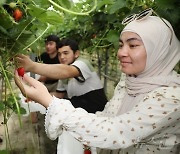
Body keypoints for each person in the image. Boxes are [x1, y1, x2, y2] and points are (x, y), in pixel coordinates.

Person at [15, 13, 180, 154]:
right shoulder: (128, 81)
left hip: (91, 107)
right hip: (90, 118)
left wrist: (34, 71)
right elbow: (107, 117)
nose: (121, 53)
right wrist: (41, 98)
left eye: (133, 45)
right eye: (121, 45)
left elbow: (116, 132)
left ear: (159, 50)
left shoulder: (172, 98)